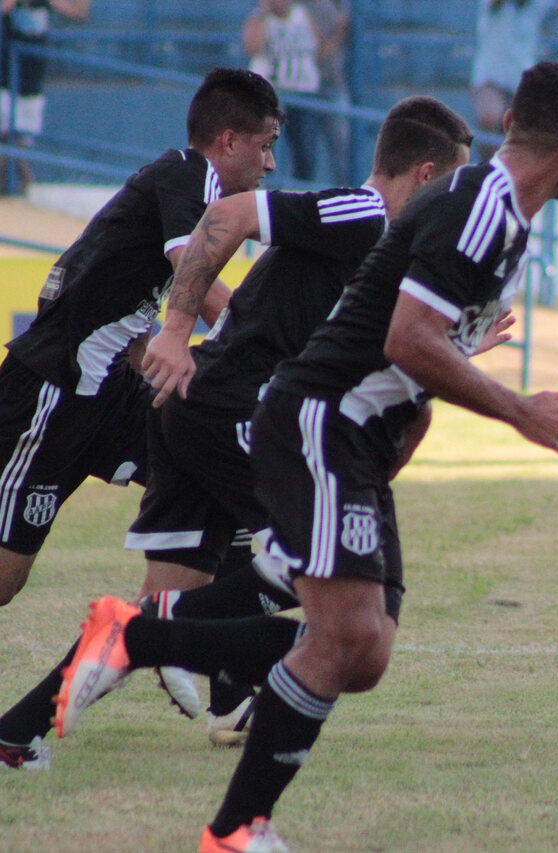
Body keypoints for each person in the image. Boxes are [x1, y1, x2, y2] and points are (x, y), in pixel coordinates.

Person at [55, 61, 558, 852]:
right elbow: (407, 339)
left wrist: (394, 454)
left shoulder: (499, 216)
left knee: (367, 648)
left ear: (514, 118)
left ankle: (141, 641)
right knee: (343, 635)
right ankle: (235, 825)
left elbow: (419, 348)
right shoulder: (480, 209)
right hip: (317, 418)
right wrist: (516, 408)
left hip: (352, 434)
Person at [0, 98, 473, 770]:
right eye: (453, 186)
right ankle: (218, 682)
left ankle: (17, 731)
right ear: (426, 175)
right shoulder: (361, 212)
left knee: (169, 608)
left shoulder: (385, 252)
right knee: (319, 572)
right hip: (226, 408)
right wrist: (175, 328)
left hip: (195, 411)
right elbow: (226, 215)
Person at [0, 67, 280, 612]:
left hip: (111, 392)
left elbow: (120, 298)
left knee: (217, 475)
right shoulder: (189, 173)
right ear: (229, 141)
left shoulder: (179, 187)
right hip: (52, 394)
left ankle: (215, 651)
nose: (271, 163)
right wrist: (267, 344)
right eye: (266, 146)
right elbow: (190, 269)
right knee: (5, 581)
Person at [471, 0, 558, 162]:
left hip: (522, 83)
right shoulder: (494, 5)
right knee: (489, 118)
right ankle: (490, 172)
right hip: (490, 79)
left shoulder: (539, 6)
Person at [0, 0, 92, 194]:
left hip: (32, 82)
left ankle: (23, 185)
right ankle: (26, 184)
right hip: (7, 79)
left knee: (21, 140)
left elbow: (79, 13)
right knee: (7, 137)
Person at [244, 0, 323, 182]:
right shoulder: (260, 18)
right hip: (272, 96)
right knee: (268, 147)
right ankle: (266, 192)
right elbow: (251, 47)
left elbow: (316, 45)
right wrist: (262, 14)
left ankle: (301, 194)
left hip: (304, 93)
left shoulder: (302, 15)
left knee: (306, 152)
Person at [303, 0, 351, 185]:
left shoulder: (339, 5)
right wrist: (337, 35)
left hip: (333, 84)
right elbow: (317, 51)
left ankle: (343, 194)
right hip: (304, 86)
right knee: (305, 150)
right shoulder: (301, 8)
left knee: (340, 149)